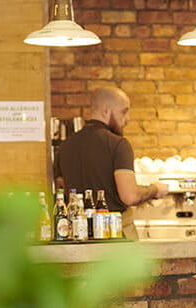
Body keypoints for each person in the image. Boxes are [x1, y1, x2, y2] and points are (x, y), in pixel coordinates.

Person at [54, 87, 168, 239]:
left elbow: (63, 189)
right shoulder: (118, 144)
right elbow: (130, 196)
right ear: (106, 111)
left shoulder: (65, 146)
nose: (128, 118)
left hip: (79, 235)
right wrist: (155, 189)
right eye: (124, 111)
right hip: (114, 235)